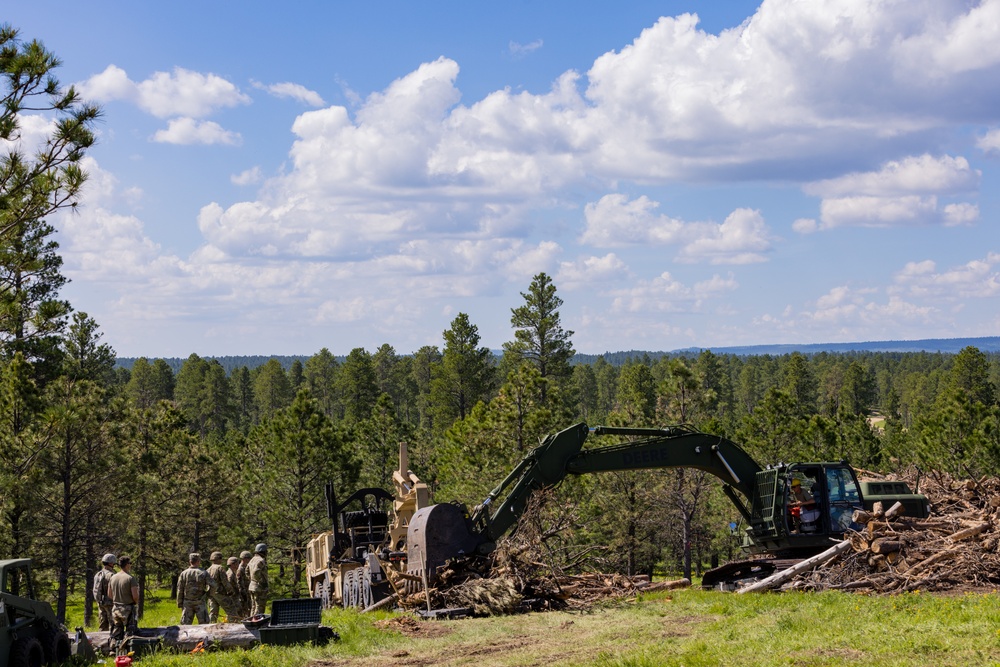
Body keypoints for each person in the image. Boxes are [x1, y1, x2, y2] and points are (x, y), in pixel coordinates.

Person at [108, 555, 139, 646]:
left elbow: (109, 594)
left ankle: (113, 649)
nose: (131, 565)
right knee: (130, 631)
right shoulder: (130, 578)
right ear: (127, 565)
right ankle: (128, 649)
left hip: (116, 607)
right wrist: (135, 602)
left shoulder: (113, 577)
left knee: (116, 630)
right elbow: (135, 596)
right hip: (128, 608)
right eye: (130, 563)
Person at [176, 553, 216, 625]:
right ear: (198, 561)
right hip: (200, 602)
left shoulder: (183, 573)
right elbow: (213, 585)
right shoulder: (203, 573)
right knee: (204, 625)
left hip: (187, 602)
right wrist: (209, 595)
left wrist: (179, 602)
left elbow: (180, 589)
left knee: (185, 626)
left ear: (190, 561)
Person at [206, 551, 242, 622]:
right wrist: (230, 591)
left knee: (213, 612)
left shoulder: (208, 569)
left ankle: (211, 627)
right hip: (220, 593)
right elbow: (225, 581)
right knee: (231, 611)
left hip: (211, 594)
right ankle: (232, 626)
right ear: (219, 559)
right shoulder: (220, 568)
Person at [93, 553, 117, 631]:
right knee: (113, 624)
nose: (114, 564)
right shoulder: (111, 575)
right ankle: (113, 641)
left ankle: (101, 640)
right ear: (110, 563)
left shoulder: (98, 574)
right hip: (110, 602)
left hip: (100, 602)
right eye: (113, 563)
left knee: (103, 624)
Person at [247, 543, 269, 617]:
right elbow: (256, 572)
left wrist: (252, 580)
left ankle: (252, 621)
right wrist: (260, 582)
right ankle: (256, 622)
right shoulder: (260, 560)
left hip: (252, 586)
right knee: (259, 606)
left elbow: (246, 571)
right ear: (263, 551)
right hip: (259, 587)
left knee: (253, 606)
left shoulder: (252, 560)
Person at [236, 550, 252, 615]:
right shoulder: (240, 569)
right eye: (248, 558)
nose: (250, 560)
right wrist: (243, 594)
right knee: (245, 609)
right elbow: (239, 583)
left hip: (247, 591)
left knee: (249, 608)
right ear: (244, 558)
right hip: (244, 592)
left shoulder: (246, 567)